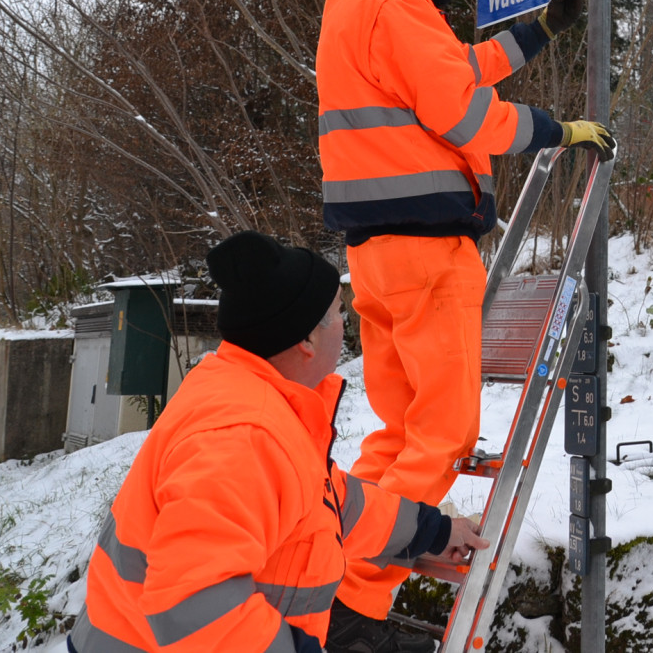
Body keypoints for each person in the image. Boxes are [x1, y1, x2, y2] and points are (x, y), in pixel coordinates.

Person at [315, 0, 613, 634]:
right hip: (427, 251)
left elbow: (458, 71)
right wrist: (556, 129)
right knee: (443, 435)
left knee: (396, 430)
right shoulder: (398, 6)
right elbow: (463, 114)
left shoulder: (348, 14)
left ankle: (324, 572)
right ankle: (356, 601)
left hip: (373, 257)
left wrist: (537, 32)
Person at [68, 230, 487, 653]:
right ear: (306, 339)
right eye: (340, 312)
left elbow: (332, 504)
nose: (348, 325)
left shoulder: (253, 399)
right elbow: (196, 600)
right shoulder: (243, 436)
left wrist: (434, 531)